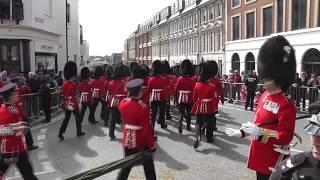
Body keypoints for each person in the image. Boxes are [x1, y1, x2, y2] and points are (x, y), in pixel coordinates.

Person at [225, 36, 297, 180]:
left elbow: (285, 136)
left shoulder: (286, 104)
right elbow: (258, 125)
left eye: (267, 79)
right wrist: (242, 132)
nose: (264, 82)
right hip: (260, 155)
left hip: (274, 158)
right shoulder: (264, 95)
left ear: (278, 78)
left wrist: (260, 133)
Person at [116, 79, 156, 180]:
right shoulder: (142, 107)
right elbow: (146, 130)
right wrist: (152, 144)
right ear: (139, 92)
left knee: (126, 165)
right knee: (148, 167)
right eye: (141, 90)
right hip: (140, 140)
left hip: (127, 138)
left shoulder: (122, 103)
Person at [269, 106, 320, 179]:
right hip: (267, 153)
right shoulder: (294, 168)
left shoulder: (286, 104)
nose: (316, 142)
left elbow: (285, 134)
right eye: (314, 134)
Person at [0, 83, 38, 179]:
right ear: (11, 95)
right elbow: (2, 130)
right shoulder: (3, 111)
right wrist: (18, 129)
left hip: (19, 147)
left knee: (29, 175)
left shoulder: (13, 108)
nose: (18, 94)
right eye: (16, 93)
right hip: (9, 149)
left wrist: (21, 128)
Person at [191, 62, 219, 148]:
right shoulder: (212, 86)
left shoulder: (196, 86)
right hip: (209, 107)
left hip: (200, 107)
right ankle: (209, 137)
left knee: (198, 122)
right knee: (210, 123)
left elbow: (194, 98)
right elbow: (214, 99)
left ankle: (197, 136)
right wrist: (215, 109)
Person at [58, 61, 85, 141]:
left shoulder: (64, 83)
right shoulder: (74, 84)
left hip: (66, 103)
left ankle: (61, 132)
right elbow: (76, 94)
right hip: (73, 104)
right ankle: (79, 132)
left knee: (67, 118)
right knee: (78, 117)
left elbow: (63, 93)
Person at [175, 59, 195, 133]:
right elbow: (193, 90)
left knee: (181, 112)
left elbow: (176, 89)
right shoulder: (192, 80)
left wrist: (176, 96)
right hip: (189, 98)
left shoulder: (180, 79)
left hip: (181, 97)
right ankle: (188, 126)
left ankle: (180, 123)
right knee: (188, 112)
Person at [148, 60, 169, 132]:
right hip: (162, 97)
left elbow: (149, 90)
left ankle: (152, 126)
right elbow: (165, 89)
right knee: (162, 112)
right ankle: (162, 124)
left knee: (153, 113)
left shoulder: (151, 79)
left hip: (154, 97)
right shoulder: (163, 79)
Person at [107, 64, 126, 140]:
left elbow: (109, 92)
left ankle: (111, 134)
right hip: (121, 101)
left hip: (113, 101)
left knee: (112, 119)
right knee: (125, 118)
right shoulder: (122, 83)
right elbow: (125, 93)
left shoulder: (111, 82)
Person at [208, 60, 224, 131]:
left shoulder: (202, 79)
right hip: (214, 100)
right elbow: (221, 91)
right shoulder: (217, 81)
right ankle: (213, 126)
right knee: (214, 114)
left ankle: (203, 126)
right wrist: (222, 99)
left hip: (204, 99)